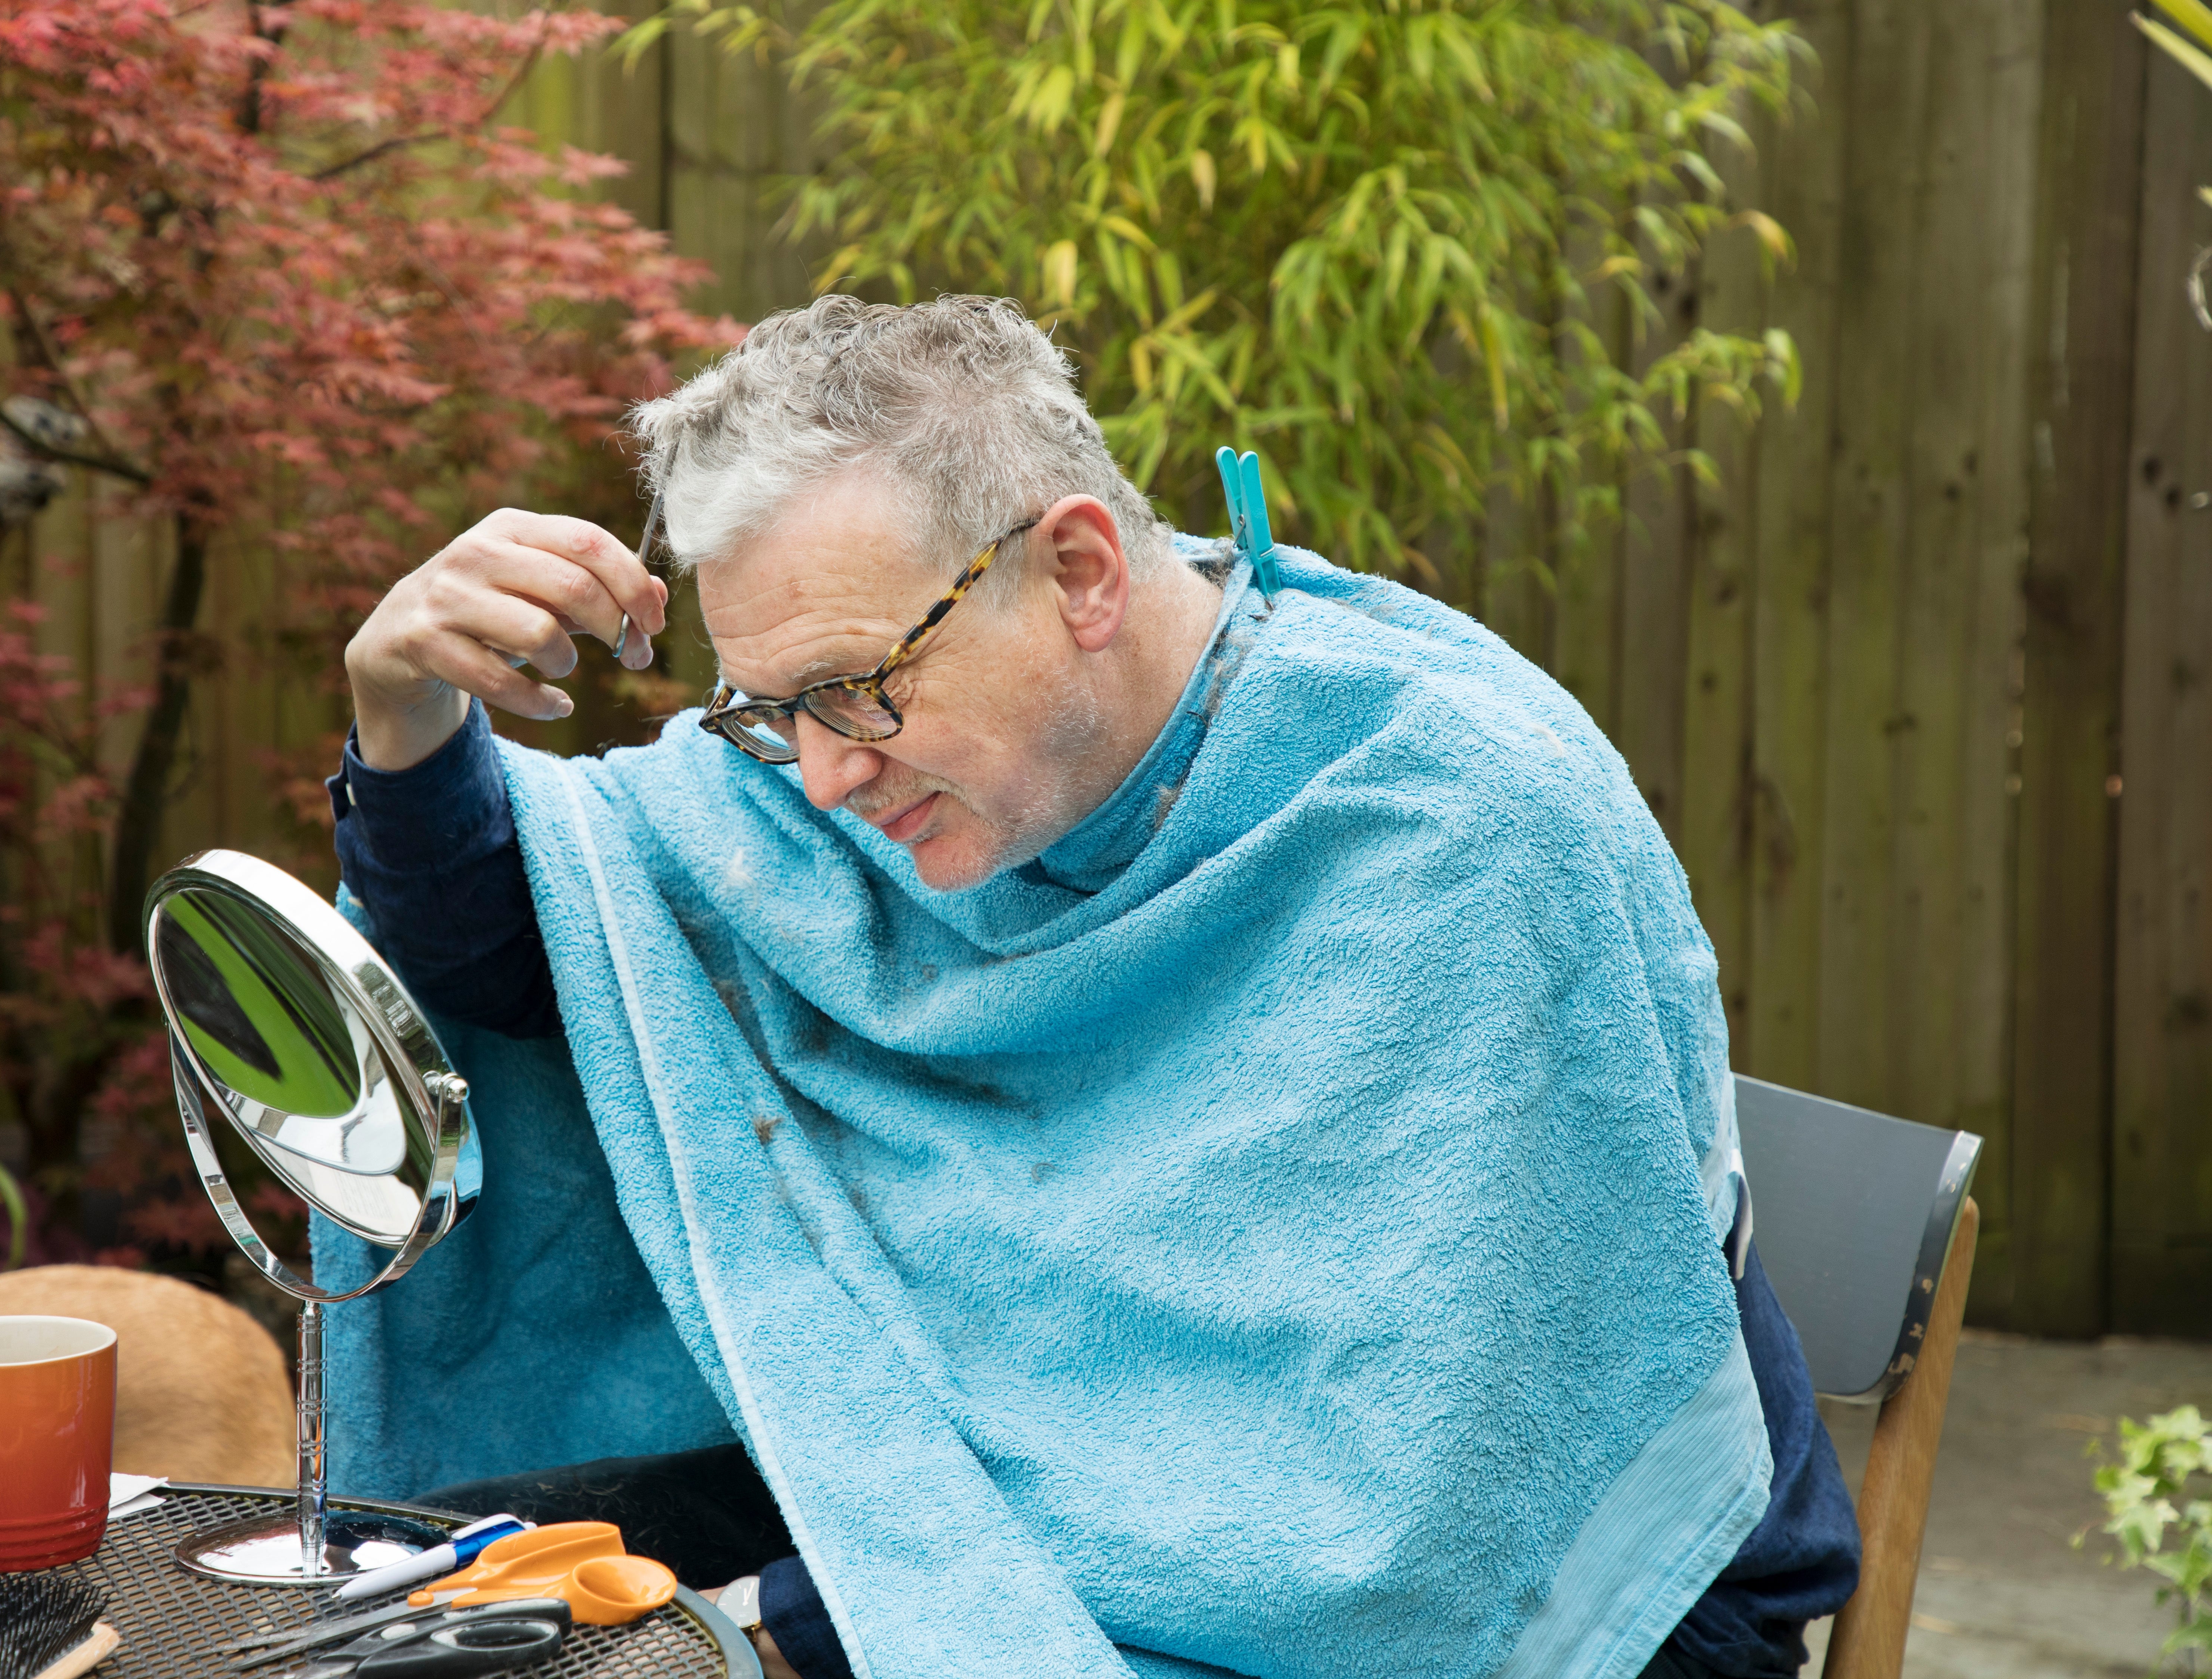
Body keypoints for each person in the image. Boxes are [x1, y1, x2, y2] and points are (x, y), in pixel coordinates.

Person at [322, 295, 1860, 1679]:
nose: (828, 772)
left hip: (1545, 1604)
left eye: (861, 690)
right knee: (431, 1608)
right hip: (1026, 1488)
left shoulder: (1452, 829)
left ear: (1078, 570)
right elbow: (529, 969)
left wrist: (805, 1618)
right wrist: (405, 710)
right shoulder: (864, 780)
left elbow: (1390, 1512)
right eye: (774, 713)